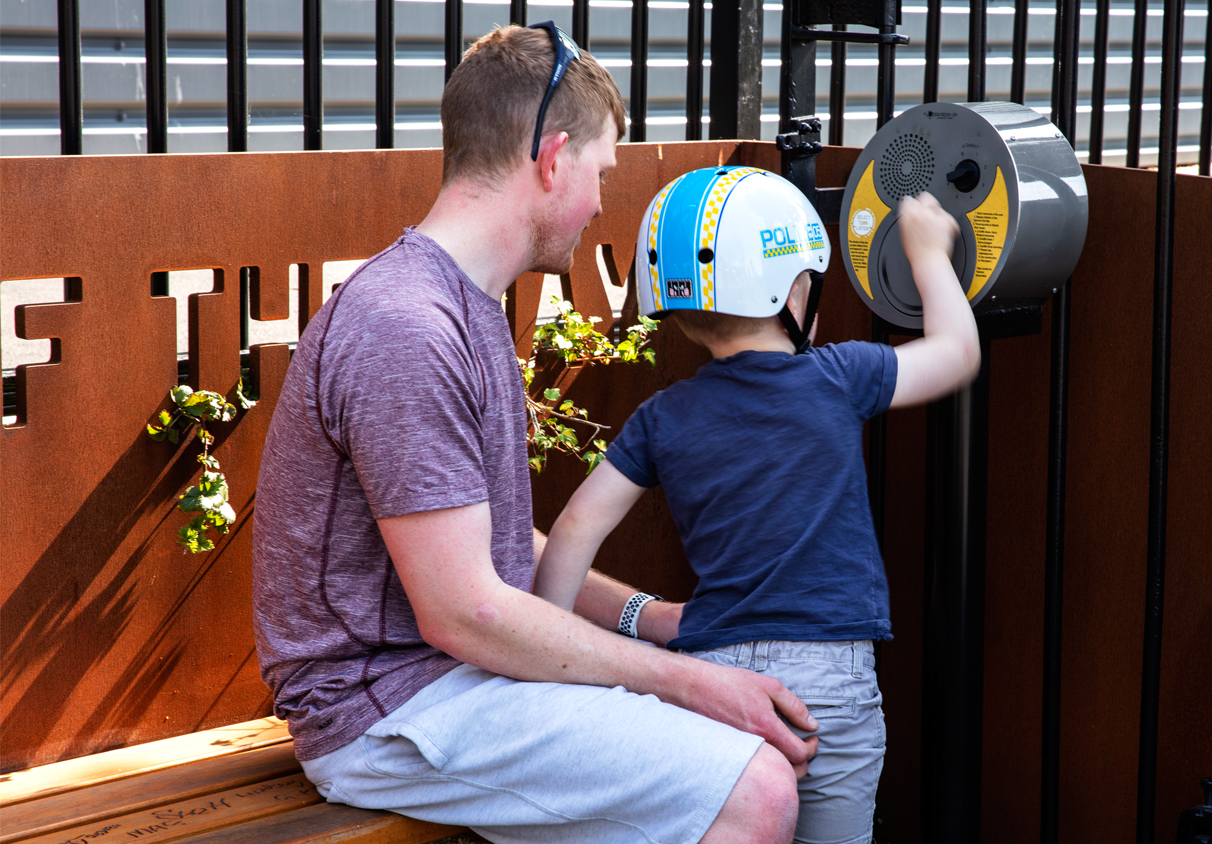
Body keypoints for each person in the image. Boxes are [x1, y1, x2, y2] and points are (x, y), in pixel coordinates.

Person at [251, 24, 820, 844]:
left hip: (451, 679)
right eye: (600, 172)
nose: (600, 203)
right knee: (755, 791)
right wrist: (686, 684)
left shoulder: (463, 304)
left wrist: (651, 619)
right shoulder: (408, 326)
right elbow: (466, 612)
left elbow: (482, 540)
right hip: (389, 704)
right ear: (553, 159)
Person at [533, 167, 981, 844]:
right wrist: (926, 252)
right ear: (794, 290)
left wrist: (543, 645)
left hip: (711, 680)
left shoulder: (661, 418)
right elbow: (956, 352)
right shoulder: (839, 375)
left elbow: (573, 529)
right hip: (830, 683)